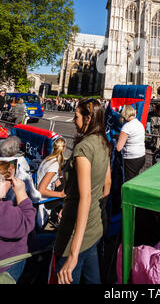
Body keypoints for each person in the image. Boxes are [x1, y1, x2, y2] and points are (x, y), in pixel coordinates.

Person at [54, 98, 111, 285]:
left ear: (88, 118)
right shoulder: (103, 141)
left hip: (74, 236)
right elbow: (107, 183)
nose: (73, 120)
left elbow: (84, 198)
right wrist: (100, 213)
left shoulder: (83, 148)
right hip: (94, 228)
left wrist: (72, 254)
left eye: (76, 116)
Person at [0, 161, 36, 283]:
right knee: (52, 241)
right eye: (9, 180)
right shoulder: (3, 211)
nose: (11, 184)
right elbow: (28, 222)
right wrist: (22, 194)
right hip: (9, 262)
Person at [116, 105, 145, 182]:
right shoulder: (139, 123)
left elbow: (119, 147)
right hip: (141, 156)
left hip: (131, 158)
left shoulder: (127, 126)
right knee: (135, 180)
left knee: (128, 182)